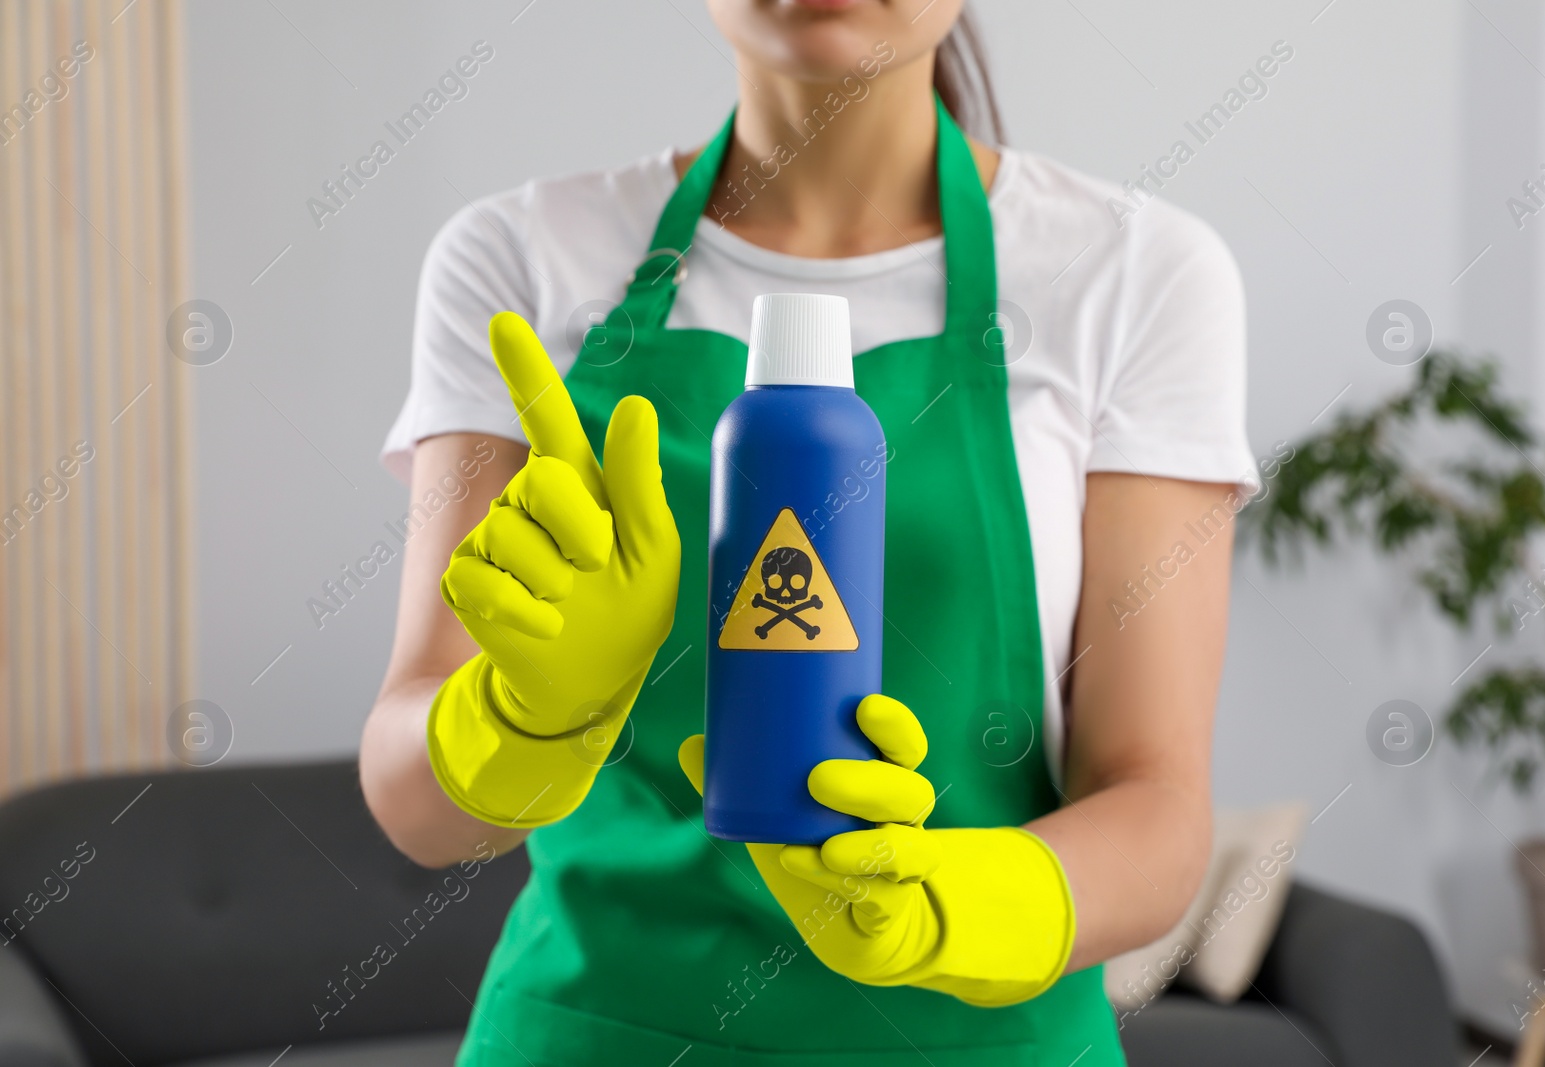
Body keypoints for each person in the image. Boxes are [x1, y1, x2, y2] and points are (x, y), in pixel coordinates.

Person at [361, 2, 1251, 1062]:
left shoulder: (1133, 273)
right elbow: (412, 800)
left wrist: (957, 904)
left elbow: (1155, 804)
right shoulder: (518, 256)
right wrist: (520, 716)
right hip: (595, 1031)